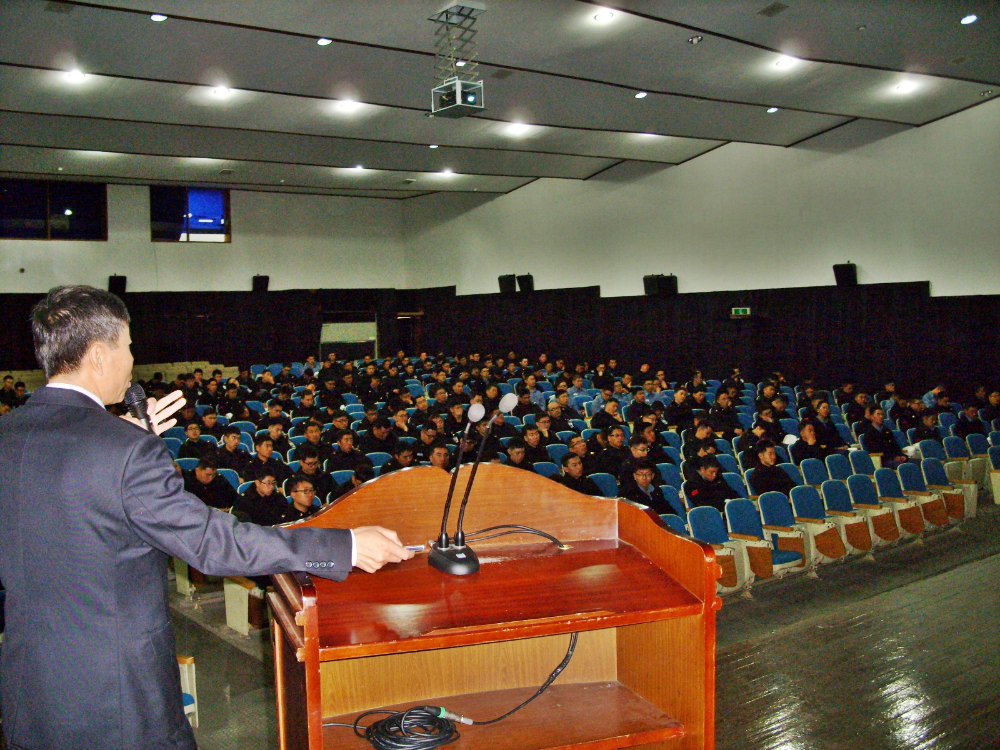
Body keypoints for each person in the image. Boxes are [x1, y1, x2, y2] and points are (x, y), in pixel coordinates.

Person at [0, 285, 413, 750]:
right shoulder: (124, 450)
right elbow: (213, 544)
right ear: (98, 354)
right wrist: (345, 545)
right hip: (118, 702)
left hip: (29, 692)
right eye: (129, 346)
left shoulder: (10, 433)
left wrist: (128, 442)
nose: (133, 359)